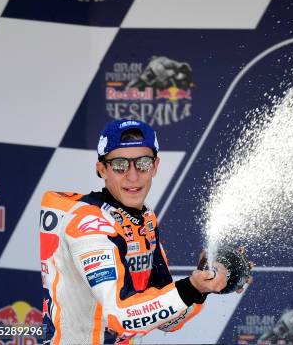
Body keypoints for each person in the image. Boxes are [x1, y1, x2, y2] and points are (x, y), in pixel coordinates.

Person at [40, 119, 245, 344]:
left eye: (143, 163)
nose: (133, 175)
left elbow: (167, 321)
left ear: (155, 166)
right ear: (102, 170)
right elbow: (119, 317)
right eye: (119, 164)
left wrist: (203, 286)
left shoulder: (143, 220)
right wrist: (191, 288)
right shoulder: (87, 224)